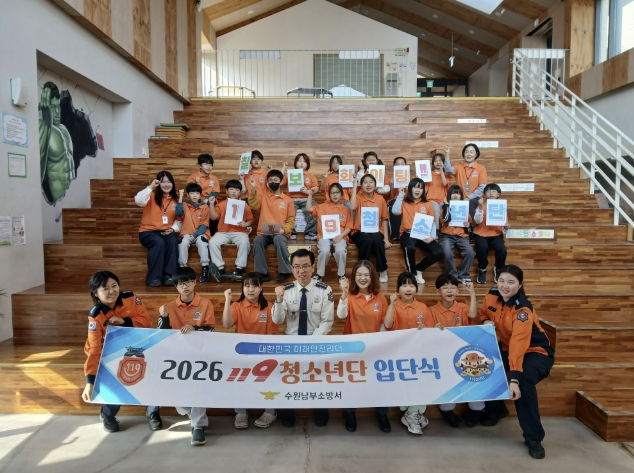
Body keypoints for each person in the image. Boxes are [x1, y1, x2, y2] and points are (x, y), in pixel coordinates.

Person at [478, 265, 555, 460]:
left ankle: (534, 438)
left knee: (524, 381)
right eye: (502, 280)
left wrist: (514, 379)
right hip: (506, 349)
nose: (505, 286)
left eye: (511, 282)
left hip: (536, 352)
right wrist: (485, 321)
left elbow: (518, 344)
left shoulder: (523, 309)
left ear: (520, 285)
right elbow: (484, 314)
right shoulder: (491, 295)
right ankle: (497, 410)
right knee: (484, 366)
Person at [82, 271, 158, 433]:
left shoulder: (130, 298)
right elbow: (95, 349)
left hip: (136, 346)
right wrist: (90, 381)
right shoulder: (95, 316)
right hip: (108, 353)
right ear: (95, 293)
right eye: (105, 288)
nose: (111, 291)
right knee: (116, 375)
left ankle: (153, 411)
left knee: (153, 370)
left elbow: (146, 322)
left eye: (114, 286)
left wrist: (124, 321)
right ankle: (108, 414)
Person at [272, 249, 335, 428]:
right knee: (289, 378)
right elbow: (277, 321)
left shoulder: (325, 290)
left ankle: (321, 410)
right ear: (292, 268)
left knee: (318, 378)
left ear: (313, 267)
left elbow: (327, 321)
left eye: (305, 266)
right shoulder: (286, 291)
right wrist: (278, 300)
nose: (301, 271)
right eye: (297, 267)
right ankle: (288, 411)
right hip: (291, 343)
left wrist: (310, 344)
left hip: (316, 342)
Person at [156, 266, 215, 446]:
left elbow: (211, 329)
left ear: (195, 282)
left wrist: (195, 328)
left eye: (188, 282)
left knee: (198, 386)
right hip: (176, 356)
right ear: (176, 286)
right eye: (181, 283)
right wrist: (164, 318)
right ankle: (191, 412)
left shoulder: (206, 303)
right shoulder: (168, 307)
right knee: (178, 398)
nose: (185, 286)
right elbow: (162, 334)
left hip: (200, 354)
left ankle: (198, 426)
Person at [336, 260, 391, 433]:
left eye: (366, 275)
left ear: (372, 277)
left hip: (375, 349)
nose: (362, 278)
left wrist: (376, 344)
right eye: (359, 275)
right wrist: (343, 294)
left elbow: (383, 323)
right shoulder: (349, 296)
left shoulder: (380, 297)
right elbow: (341, 315)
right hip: (352, 349)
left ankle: (382, 414)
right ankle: (350, 413)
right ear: (354, 277)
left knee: (379, 383)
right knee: (352, 383)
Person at [223, 273, 279, 429]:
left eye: (255, 286)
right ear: (242, 288)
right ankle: (240, 412)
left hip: (263, 354)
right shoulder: (236, 306)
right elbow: (226, 324)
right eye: (247, 286)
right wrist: (227, 300)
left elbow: (271, 336)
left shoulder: (269, 307)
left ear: (261, 288)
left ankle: (270, 411)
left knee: (271, 378)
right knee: (238, 380)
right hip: (241, 354)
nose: (250, 289)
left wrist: (264, 356)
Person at [428, 274, 482, 428]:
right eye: (445, 288)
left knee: (473, 379)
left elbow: (473, 315)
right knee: (447, 383)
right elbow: (429, 334)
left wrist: (472, 293)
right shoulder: (431, 310)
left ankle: (477, 409)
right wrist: (434, 329)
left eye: (453, 288)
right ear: (438, 291)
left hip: (464, 354)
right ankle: (447, 410)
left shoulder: (463, 307)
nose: (449, 290)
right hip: (443, 355)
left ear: (458, 291)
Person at [384, 272, 433, 435]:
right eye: (404, 285)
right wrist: (391, 305)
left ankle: (412, 414)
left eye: (411, 285)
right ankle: (412, 413)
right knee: (407, 384)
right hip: (398, 355)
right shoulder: (394, 305)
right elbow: (388, 325)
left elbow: (430, 331)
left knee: (421, 383)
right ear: (398, 289)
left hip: (419, 355)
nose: (408, 289)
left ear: (416, 289)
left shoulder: (423, 307)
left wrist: (426, 330)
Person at [392, 178, 444, 284]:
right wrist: (400, 195)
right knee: (409, 247)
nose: (417, 190)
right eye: (415, 187)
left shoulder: (427, 204)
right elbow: (395, 211)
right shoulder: (404, 202)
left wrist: (432, 237)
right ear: (410, 188)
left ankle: (419, 269)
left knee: (439, 252)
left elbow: (433, 222)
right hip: (408, 233)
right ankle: (412, 273)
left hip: (423, 234)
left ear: (423, 190)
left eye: (420, 188)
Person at [248, 169, 295, 283]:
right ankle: (262, 273)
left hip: (280, 233)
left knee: (278, 240)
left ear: (281, 182)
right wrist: (253, 188)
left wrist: (284, 230)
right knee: (257, 241)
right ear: (267, 182)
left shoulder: (288, 200)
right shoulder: (263, 196)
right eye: (270, 180)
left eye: (275, 180)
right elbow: (254, 205)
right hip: (264, 232)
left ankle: (285, 271)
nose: (273, 182)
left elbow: (291, 219)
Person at [136, 171, 182, 286]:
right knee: (159, 242)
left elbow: (178, 220)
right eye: (163, 182)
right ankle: (154, 278)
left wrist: (173, 229)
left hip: (166, 231)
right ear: (158, 183)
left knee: (172, 240)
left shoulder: (175, 200)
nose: (166, 185)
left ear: (173, 184)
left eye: (169, 182)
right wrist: (151, 186)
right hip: (148, 232)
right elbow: (138, 200)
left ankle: (169, 276)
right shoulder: (150, 195)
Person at [208, 179, 254, 282]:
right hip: (223, 232)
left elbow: (251, 220)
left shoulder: (244, 205)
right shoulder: (221, 204)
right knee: (212, 242)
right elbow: (213, 217)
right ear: (226, 191)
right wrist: (211, 204)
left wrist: (246, 224)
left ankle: (239, 270)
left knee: (245, 242)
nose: (234, 192)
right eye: (231, 189)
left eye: (237, 190)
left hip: (240, 232)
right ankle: (220, 269)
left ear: (240, 192)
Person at [305, 183, 353, 283]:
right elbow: (308, 209)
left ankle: (342, 274)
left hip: (340, 236)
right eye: (332, 193)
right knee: (324, 250)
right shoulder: (322, 207)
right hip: (324, 236)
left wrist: (340, 236)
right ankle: (319, 274)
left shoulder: (345, 210)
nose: (334, 195)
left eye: (337, 192)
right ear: (329, 195)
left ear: (342, 194)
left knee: (340, 251)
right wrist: (310, 194)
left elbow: (349, 227)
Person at [349, 174, 392, 283]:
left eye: (371, 182)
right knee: (367, 240)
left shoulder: (380, 199)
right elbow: (352, 207)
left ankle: (382, 270)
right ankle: (362, 271)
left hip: (376, 230)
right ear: (361, 185)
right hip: (359, 231)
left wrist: (386, 239)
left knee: (377, 241)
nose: (368, 185)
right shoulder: (358, 197)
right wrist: (355, 185)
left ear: (375, 185)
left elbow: (384, 219)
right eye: (365, 182)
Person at [474, 183, 510, 284]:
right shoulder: (481, 206)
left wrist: (505, 228)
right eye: (488, 191)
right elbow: (477, 221)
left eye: (494, 191)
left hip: (496, 234)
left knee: (501, 249)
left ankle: (498, 268)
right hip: (480, 234)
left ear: (498, 194)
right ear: (484, 194)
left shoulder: (501, 208)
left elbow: (503, 230)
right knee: (482, 247)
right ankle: (482, 269)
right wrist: (480, 207)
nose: (491, 193)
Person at [176, 184, 211, 283]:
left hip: (201, 233)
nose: (195, 195)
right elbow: (178, 213)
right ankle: (182, 268)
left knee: (201, 241)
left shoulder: (205, 207)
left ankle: (205, 267)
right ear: (188, 195)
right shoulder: (184, 205)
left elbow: (204, 224)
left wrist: (195, 235)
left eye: (197, 193)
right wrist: (181, 197)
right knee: (183, 242)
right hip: (187, 233)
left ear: (200, 195)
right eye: (192, 193)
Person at [440, 185, 475, 284]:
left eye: (458, 193)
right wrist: (447, 206)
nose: (455, 195)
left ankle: (464, 274)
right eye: (453, 193)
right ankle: (453, 275)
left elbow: (470, 224)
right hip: (447, 235)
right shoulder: (444, 207)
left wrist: (468, 225)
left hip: (462, 236)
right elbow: (445, 220)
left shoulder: (465, 208)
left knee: (470, 252)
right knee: (447, 252)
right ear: (449, 195)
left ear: (461, 196)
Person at [281, 153, 320, 240]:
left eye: (304, 161)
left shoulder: (311, 176)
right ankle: (290, 232)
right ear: (295, 163)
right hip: (291, 200)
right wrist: (284, 168)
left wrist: (308, 191)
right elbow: (280, 182)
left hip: (307, 199)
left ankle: (310, 232)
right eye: (299, 161)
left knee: (315, 209)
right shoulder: (289, 174)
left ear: (307, 164)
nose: (302, 163)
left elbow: (316, 188)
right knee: (286, 211)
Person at [443, 143, 487, 218]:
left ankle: (472, 225)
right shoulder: (459, 166)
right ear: (463, 154)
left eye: (471, 152)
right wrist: (447, 154)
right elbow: (448, 170)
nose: (469, 154)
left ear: (476, 154)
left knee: (469, 205)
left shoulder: (481, 168)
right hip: (459, 198)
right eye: (466, 152)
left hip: (474, 199)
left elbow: (482, 188)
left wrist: (468, 197)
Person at [426, 149, 451, 230]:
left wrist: (441, 171)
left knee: (445, 208)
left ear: (443, 162)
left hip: (442, 200)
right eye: (436, 161)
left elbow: (444, 183)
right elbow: (425, 189)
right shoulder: (429, 174)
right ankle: (436, 230)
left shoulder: (447, 175)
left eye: (440, 161)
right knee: (436, 207)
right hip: (431, 199)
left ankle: (445, 230)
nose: (438, 162)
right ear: (433, 163)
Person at [387, 157, 409, 241]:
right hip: (395, 199)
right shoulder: (391, 179)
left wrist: (409, 188)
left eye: (402, 164)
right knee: (393, 205)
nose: (400, 166)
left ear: (406, 166)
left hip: (407, 199)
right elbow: (391, 196)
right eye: (397, 164)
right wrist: (392, 186)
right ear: (394, 166)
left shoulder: (410, 178)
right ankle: (396, 233)